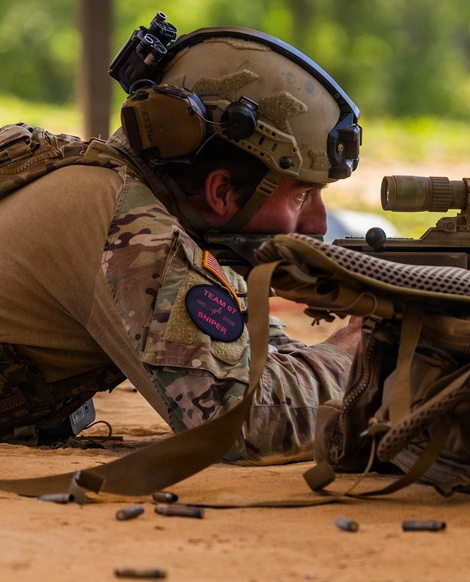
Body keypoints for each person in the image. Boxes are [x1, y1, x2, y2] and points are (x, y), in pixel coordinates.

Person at [0, 15, 363, 463]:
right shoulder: (130, 230)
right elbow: (240, 423)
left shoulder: (134, 194)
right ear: (221, 191)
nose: (318, 224)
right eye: (303, 196)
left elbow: (247, 353)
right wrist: (351, 355)